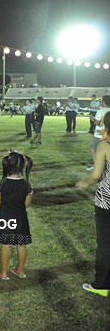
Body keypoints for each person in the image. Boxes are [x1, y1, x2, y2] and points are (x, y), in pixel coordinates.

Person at [76, 110, 110, 296]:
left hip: (107, 202)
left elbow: (96, 174)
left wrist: (85, 182)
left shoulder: (105, 145)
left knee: (105, 243)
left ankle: (102, 285)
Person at [0, 152, 33, 280]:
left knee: (6, 244)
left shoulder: (1, 183)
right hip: (21, 217)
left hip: (6, 217)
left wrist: (4, 211)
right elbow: (27, 202)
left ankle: (3, 273)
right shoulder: (26, 184)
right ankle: (20, 271)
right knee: (21, 244)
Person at [89, 96, 110, 171]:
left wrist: (92, 119)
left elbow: (97, 123)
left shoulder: (101, 111)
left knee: (93, 149)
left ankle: (97, 167)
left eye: (101, 101)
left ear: (104, 102)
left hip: (100, 134)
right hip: (108, 134)